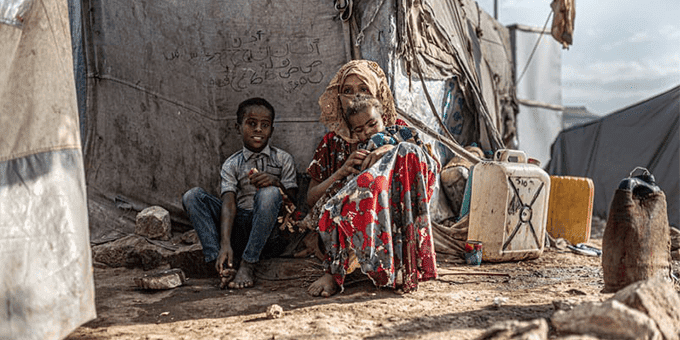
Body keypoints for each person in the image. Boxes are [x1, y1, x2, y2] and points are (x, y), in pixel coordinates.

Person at [305, 60, 439, 297]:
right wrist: (342, 171)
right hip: (346, 222)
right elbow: (310, 199)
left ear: (377, 95)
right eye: (347, 91)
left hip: (391, 215)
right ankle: (334, 271)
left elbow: (427, 167)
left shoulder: (398, 131)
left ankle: (401, 261)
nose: (355, 96)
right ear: (338, 96)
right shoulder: (331, 143)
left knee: (407, 154)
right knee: (354, 193)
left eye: (363, 89)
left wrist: (391, 150)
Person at [182, 97, 298, 289]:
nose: (258, 130)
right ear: (238, 127)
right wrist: (225, 244)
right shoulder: (232, 164)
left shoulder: (283, 159)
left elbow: (293, 203)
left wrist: (276, 183)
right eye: (251, 124)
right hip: (239, 229)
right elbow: (228, 202)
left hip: (270, 233)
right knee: (192, 196)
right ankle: (221, 264)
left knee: (268, 194)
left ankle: (248, 264)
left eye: (265, 125)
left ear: (272, 130)